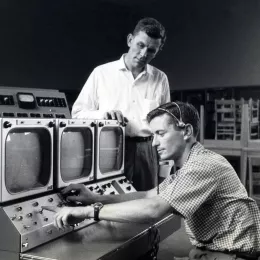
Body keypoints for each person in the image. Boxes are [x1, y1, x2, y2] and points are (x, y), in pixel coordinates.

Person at [44, 101, 260, 260]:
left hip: (232, 256)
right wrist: (94, 197)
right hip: (212, 252)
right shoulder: (191, 165)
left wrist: (88, 211)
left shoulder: (202, 166)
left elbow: (153, 209)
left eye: (160, 133)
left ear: (186, 131)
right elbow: (150, 195)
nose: (154, 143)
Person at [71, 17, 170, 191]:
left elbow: (166, 128)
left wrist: (165, 170)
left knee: (145, 209)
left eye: (151, 50)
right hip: (109, 149)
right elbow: (77, 113)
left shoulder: (160, 79)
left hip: (147, 153)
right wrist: (103, 115)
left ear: (158, 51)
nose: (143, 54)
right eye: (140, 45)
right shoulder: (101, 73)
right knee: (108, 206)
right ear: (130, 40)